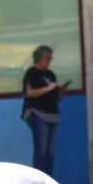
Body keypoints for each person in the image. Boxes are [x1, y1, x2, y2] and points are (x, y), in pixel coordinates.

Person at [22, 45, 68, 176]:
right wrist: (49, 88)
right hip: (38, 114)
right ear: (39, 58)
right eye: (47, 58)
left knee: (50, 151)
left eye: (50, 58)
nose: (49, 61)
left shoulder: (50, 74)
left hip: (53, 113)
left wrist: (60, 91)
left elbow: (56, 97)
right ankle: (39, 179)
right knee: (40, 150)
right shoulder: (31, 73)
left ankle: (49, 178)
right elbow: (29, 93)